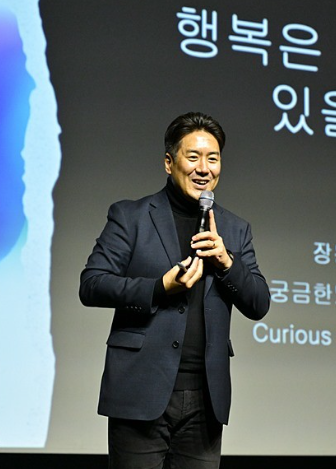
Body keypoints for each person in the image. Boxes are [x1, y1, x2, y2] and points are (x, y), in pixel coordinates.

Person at [80, 112, 270, 468]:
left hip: (206, 400)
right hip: (140, 391)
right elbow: (92, 284)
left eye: (213, 159)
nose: (204, 169)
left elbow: (259, 303)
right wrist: (159, 288)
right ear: (169, 162)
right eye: (193, 157)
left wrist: (226, 262)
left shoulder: (234, 228)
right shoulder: (131, 216)